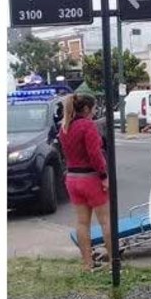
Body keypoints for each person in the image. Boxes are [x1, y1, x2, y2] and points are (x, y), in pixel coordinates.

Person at [58, 94, 113, 272]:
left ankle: (87, 263)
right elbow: (94, 154)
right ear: (87, 109)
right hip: (90, 178)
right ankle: (114, 262)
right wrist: (104, 176)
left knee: (82, 223)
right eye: (94, 108)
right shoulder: (87, 126)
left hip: (72, 178)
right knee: (106, 221)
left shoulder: (64, 127)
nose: (95, 112)